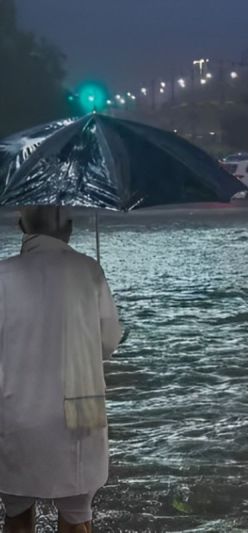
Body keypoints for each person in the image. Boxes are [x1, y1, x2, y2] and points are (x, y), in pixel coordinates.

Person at [0, 206, 123, 533]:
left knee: (16, 513)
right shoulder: (88, 270)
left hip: (14, 416)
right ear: (68, 228)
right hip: (78, 415)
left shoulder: (2, 275)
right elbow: (108, 342)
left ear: (21, 226)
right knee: (76, 515)